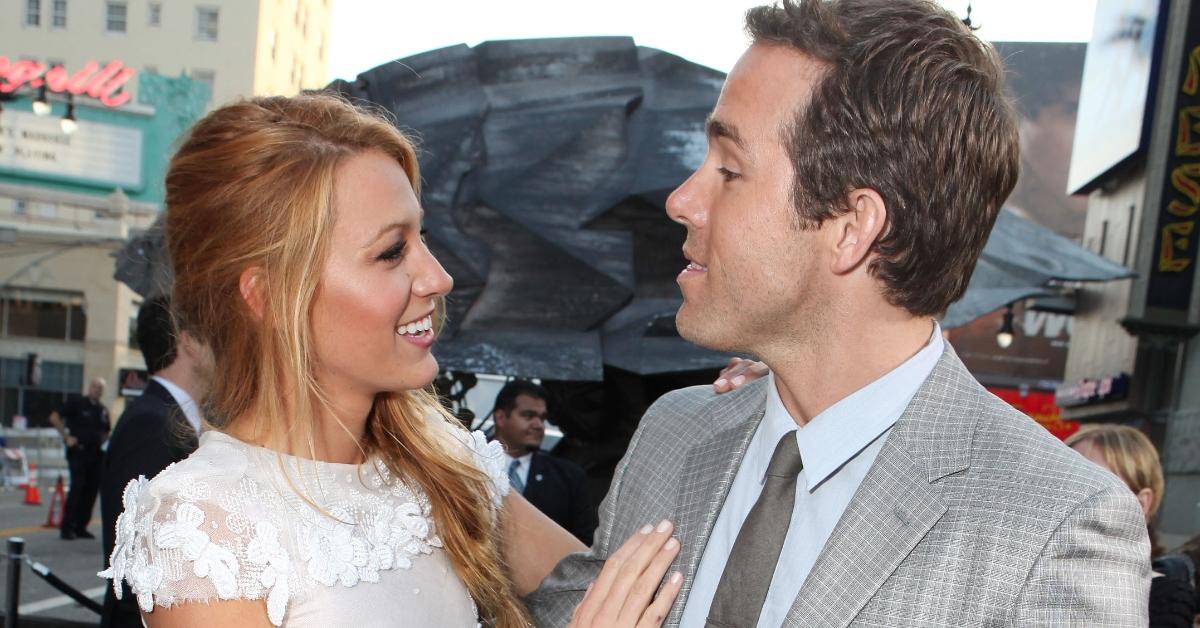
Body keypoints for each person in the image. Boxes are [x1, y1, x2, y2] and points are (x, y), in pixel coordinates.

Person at [527, 0, 1150, 625]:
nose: (682, 200)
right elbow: (572, 601)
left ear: (852, 228)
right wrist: (438, 462)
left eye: (730, 169)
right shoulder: (675, 433)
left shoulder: (1054, 528)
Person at [99, 94, 678, 628]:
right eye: (391, 251)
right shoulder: (205, 526)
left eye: (420, 238)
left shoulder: (444, 466)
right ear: (271, 296)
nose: (438, 277)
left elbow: (628, 594)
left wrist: (761, 406)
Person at [99, 295, 210, 628]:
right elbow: (137, 560)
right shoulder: (150, 424)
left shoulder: (168, 417)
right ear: (187, 340)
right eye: (213, 332)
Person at [1067, 425, 1198, 628]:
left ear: (1142, 503)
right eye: (1067, 481)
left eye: (1094, 486)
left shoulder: (1162, 598)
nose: (1072, 497)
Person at [492, 380, 597, 545]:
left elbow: (583, 542)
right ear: (501, 417)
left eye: (542, 418)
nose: (538, 425)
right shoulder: (469, 464)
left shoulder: (569, 476)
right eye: (528, 415)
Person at [49, 377, 111, 540]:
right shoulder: (77, 403)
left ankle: (81, 526)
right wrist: (66, 437)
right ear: (89, 387)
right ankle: (67, 527)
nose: (96, 390)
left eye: (100, 388)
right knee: (77, 488)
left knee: (91, 491)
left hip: (97, 455)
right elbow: (54, 417)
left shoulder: (102, 410)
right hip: (79, 452)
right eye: (94, 386)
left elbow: (106, 432)